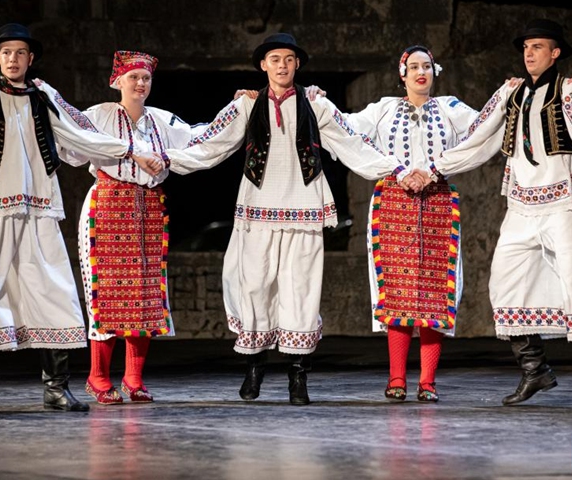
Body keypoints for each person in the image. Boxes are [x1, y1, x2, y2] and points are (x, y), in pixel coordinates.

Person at [0, 23, 161, 414]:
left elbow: (84, 134)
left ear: (31, 59)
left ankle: (56, 387)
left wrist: (132, 151)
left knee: (53, 289)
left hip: (38, 207)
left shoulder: (44, 95)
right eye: (6, 52)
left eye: (21, 52)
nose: (13, 59)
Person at [165, 33, 404, 405]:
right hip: (257, 209)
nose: (282, 65)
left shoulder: (315, 104)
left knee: (301, 290)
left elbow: (351, 142)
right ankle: (255, 367)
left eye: (288, 59)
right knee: (255, 287)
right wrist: (168, 160)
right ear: (263, 65)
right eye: (274, 59)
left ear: (297, 65)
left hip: (304, 209)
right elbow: (210, 143)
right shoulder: (246, 105)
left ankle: (298, 376)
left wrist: (397, 170)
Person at [413, 19, 572, 410]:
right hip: (521, 202)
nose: (529, 53)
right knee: (505, 281)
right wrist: (434, 168)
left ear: (555, 53)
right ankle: (535, 370)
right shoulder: (510, 94)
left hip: (563, 199)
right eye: (526, 47)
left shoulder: (568, 92)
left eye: (538, 47)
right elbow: (477, 140)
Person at [301, 46, 481, 402]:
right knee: (397, 292)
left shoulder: (450, 108)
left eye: (426, 66)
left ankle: (427, 381)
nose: (421, 73)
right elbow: (346, 125)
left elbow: (484, 125)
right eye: (413, 67)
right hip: (393, 203)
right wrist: (321, 102)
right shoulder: (383, 109)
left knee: (435, 292)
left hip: (438, 203)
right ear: (402, 74)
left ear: (435, 71)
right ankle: (397, 378)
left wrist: (508, 97)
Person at [60, 50, 197, 404]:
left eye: (146, 78)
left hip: (148, 208)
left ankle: (134, 378)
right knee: (104, 293)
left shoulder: (162, 121)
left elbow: (201, 138)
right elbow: (71, 145)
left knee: (145, 294)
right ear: (116, 81)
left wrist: (237, 108)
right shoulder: (100, 115)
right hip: (107, 204)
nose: (140, 83)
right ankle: (98, 376)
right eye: (133, 77)